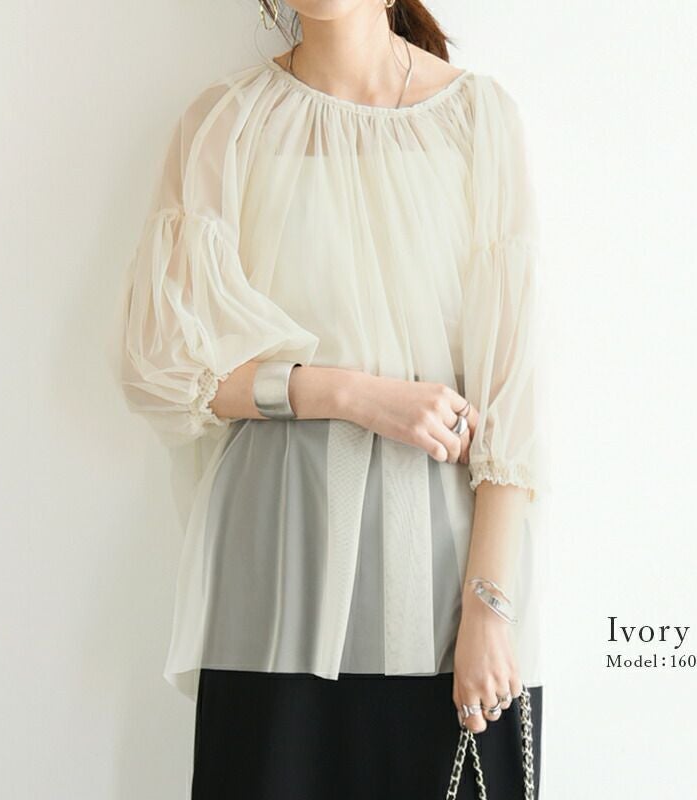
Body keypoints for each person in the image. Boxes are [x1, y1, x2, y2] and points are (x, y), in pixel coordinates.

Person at [113, 0, 550, 797]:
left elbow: (512, 392)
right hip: (276, 580)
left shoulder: (478, 119)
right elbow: (164, 366)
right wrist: (353, 394)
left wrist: (490, 608)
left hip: (445, 592)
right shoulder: (225, 124)